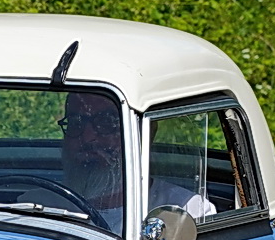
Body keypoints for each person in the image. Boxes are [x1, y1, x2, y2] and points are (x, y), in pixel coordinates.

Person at [57, 91, 216, 231]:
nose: (87, 137)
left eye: (107, 122)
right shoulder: (40, 204)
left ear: (145, 136)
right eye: (76, 122)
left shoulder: (185, 211)